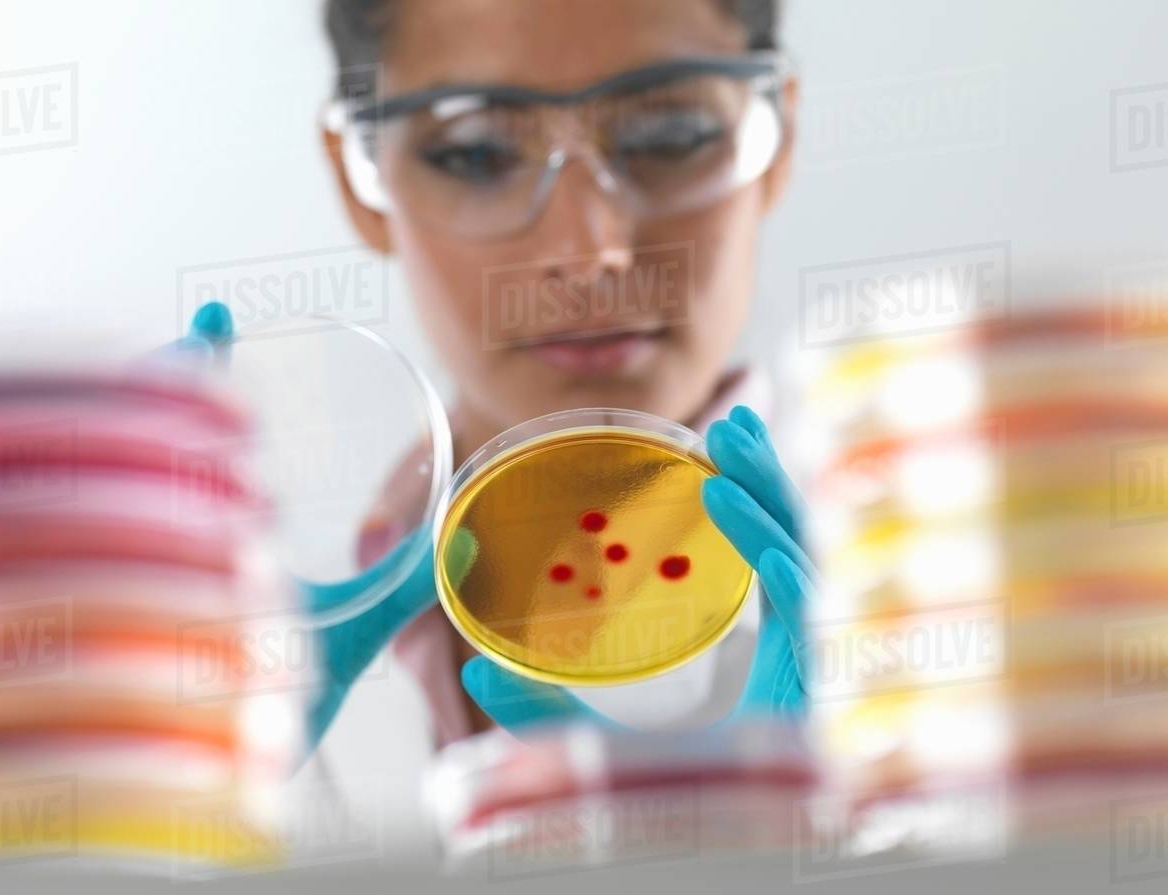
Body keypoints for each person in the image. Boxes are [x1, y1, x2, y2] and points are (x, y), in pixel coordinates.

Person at [187, 0, 812, 752]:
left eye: (671, 136)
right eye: (478, 153)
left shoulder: (949, 575)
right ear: (359, 177)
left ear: (777, 141)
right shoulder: (246, 626)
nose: (591, 254)